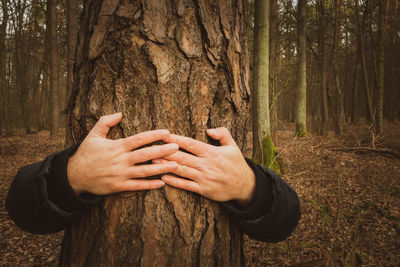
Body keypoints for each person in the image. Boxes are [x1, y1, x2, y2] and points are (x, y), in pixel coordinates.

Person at [6, 113, 300, 242]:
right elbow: (19, 208)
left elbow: (286, 221)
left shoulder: (229, 151)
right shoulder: (87, 148)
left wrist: (250, 187)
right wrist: (70, 176)